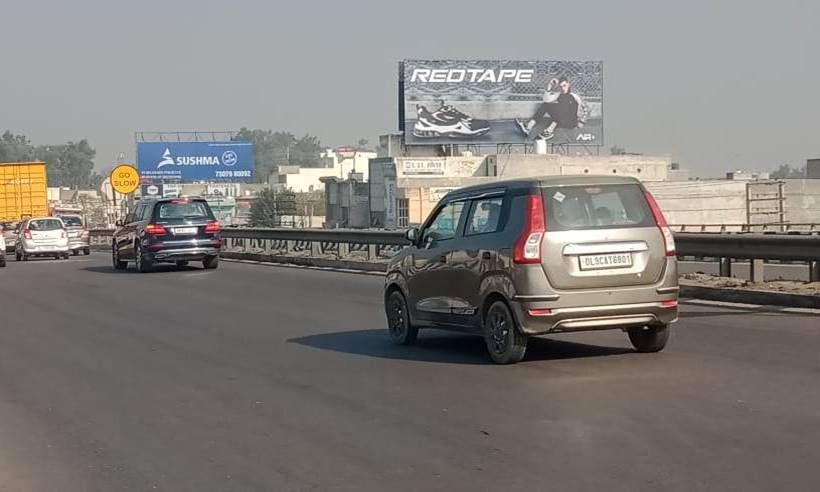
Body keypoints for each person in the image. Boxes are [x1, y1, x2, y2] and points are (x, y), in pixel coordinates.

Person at [516, 76, 589, 140]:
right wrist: (550, 85)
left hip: (571, 121)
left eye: (564, 85)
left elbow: (586, 108)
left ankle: (549, 131)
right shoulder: (560, 94)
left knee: (566, 100)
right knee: (546, 105)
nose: (563, 88)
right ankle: (528, 127)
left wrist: (582, 122)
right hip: (561, 119)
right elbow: (546, 100)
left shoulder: (575, 95)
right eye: (561, 86)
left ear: (568, 84)